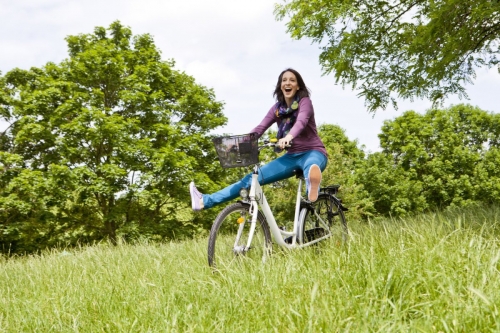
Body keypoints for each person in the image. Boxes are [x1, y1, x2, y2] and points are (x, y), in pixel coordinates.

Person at [190, 68, 328, 211]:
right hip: (291, 156)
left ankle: (311, 186)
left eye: (292, 80)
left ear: (298, 86)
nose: (288, 83)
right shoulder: (277, 109)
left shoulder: (305, 102)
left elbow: (301, 121)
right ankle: (204, 201)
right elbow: (260, 128)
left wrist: (288, 137)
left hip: (313, 152)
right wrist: (241, 144)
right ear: (280, 85)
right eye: (284, 80)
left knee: (311, 166)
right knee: (251, 180)